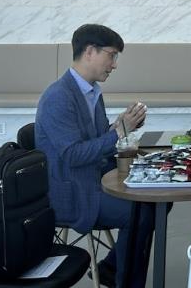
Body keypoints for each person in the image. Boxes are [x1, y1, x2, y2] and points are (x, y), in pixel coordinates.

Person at [35, 24, 153, 288]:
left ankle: (112, 267)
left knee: (159, 200)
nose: (115, 64)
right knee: (141, 213)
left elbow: (97, 141)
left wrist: (121, 127)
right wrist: (118, 133)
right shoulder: (58, 97)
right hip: (72, 192)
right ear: (90, 51)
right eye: (111, 55)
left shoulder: (91, 92)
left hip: (93, 178)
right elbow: (73, 155)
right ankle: (124, 280)